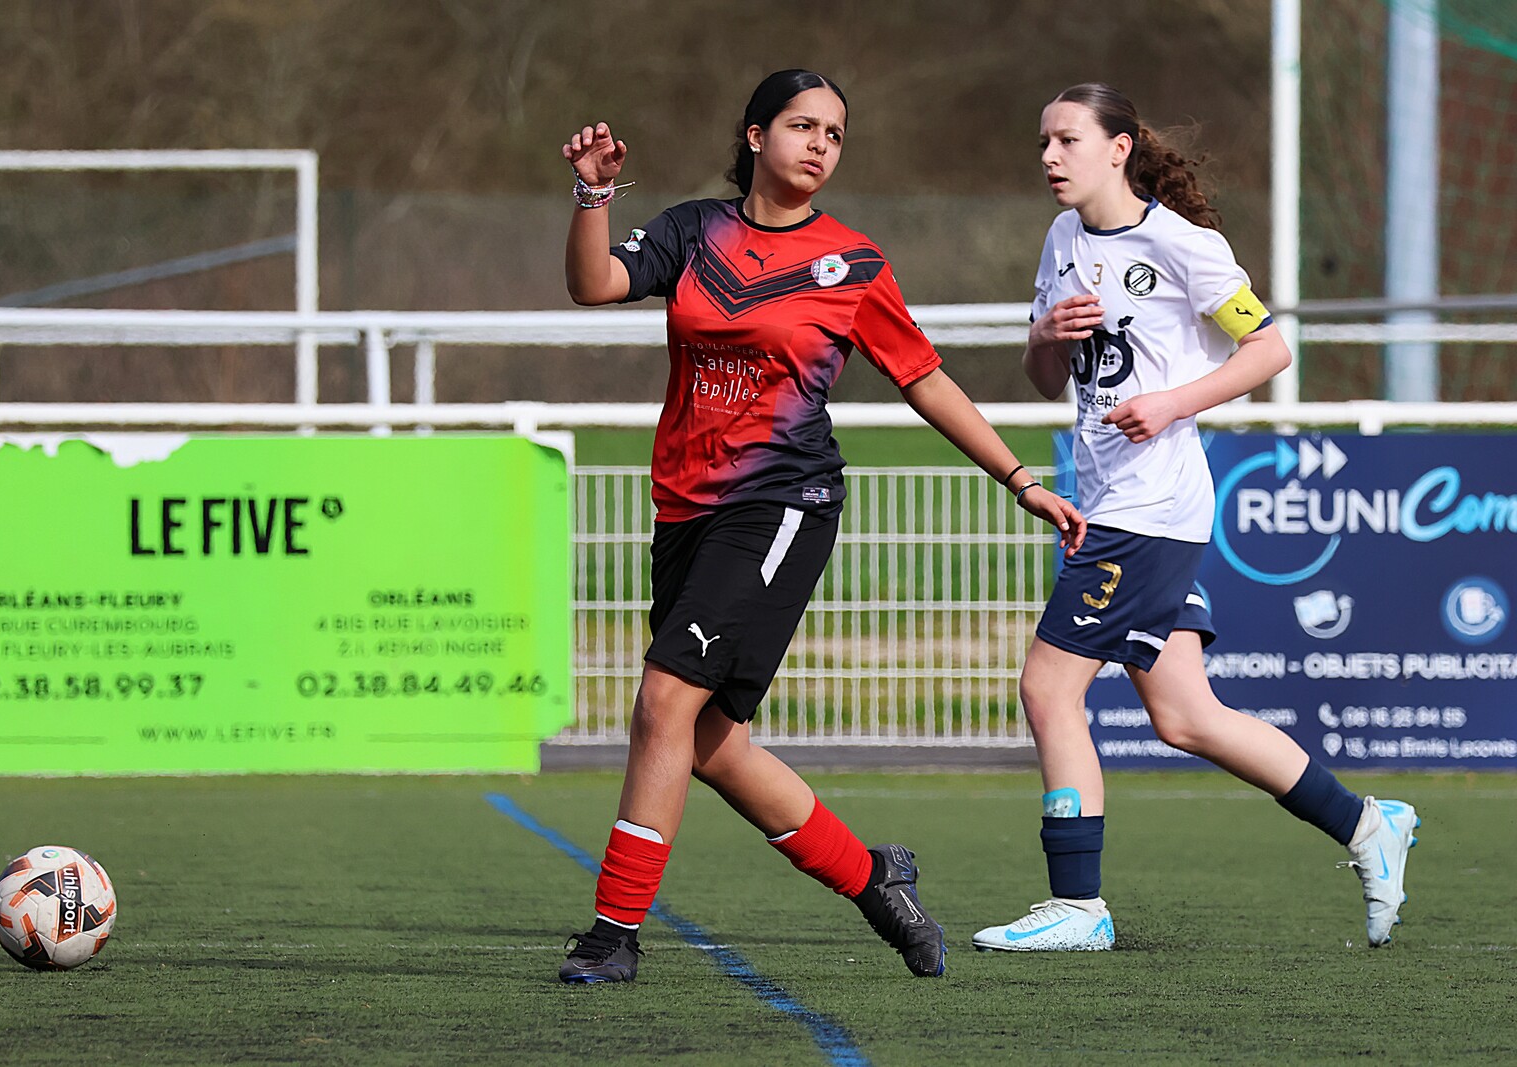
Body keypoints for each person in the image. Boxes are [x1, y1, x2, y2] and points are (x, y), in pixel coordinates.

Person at [556, 69, 1088, 984]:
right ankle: (875, 879)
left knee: (662, 702)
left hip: (781, 504)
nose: (820, 145)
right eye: (803, 126)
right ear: (755, 135)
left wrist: (1018, 478)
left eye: (835, 134)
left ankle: (613, 936)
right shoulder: (694, 230)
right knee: (711, 744)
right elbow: (594, 283)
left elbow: (925, 379)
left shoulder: (853, 263)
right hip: (684, 509)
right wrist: (592, 195)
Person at [970, 83, 1419, 954]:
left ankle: (1078, 905)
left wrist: (1173, 402)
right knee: (1185, 714)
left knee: (1047, 687)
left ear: (1119, 149)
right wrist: (1046, 338)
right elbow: (1044, 379)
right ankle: (1369, 822)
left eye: (1067, 140)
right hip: (1111, 503)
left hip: (1150, 510)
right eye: (1043, 142)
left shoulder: (1182, 244)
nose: (1050, 157)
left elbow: (1270, 347)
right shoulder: (1062, 239)